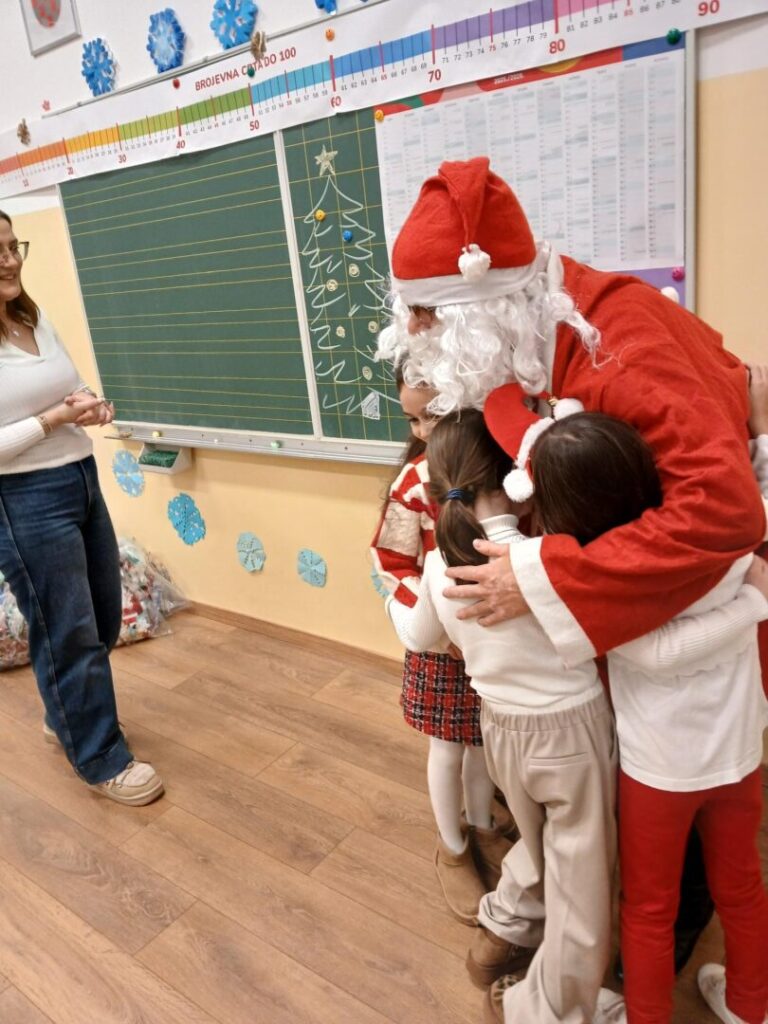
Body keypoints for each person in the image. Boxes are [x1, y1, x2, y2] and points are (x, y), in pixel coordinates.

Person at [376, 156, 766, 968]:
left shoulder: (619, 346)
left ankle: (642, 960)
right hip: (633, 645)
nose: (413, 335)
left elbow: (722, 512)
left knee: (685, 812)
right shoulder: (534, 329)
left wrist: (542, 575)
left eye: (426, 317)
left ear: (481, 302)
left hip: (705, 622)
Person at [497, 400, 768, 1024]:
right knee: (742, 888)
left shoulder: (598, 584)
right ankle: (750, 1006)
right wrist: (755, 599)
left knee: (648, 909)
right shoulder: (721, 535)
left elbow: (659, 651)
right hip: (739, 755)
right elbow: (756, 503)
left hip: (659, 773)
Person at [385, 405, 621, 1024]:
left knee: (538, 842)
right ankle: (551, 1007)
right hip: (570, 733)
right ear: (518, 476)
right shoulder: (550, 556)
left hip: (501, 732)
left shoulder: (438, 565)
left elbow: (418, 636)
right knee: (583, 877)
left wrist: (392, 602)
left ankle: (498, 936)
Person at [0, 210, 163, 806]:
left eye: (12, 245)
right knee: (67, 629)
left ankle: (66, 713)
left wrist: (88, 403)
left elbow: (66, 385)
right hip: (22, 496)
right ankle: (100, 758)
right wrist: (53, 420)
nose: (10, 260)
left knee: (101, 614)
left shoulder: (30, 317)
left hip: (79, 476)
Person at [370, 366, 510, 924]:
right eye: (412, 420)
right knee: (448, 748)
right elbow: (391, 563)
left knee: (483, 742)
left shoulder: (502, 475)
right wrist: (441, 629)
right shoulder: (412, 484)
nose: (423, 431)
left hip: (491, 636)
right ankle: (452, 847)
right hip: (441, 645)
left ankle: (482, 826)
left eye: (432, 414)